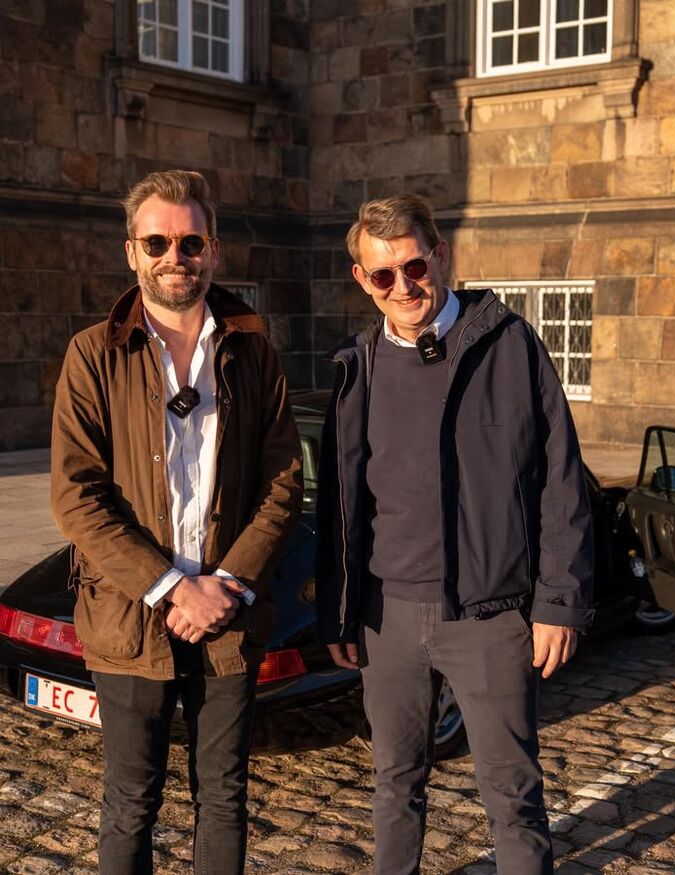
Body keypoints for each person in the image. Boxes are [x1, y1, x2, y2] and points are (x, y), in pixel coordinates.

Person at [315, 194, 594, 875]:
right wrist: (339, 611)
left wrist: (558, 602)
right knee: (394, 782)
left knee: (513, 794)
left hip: (489, 617)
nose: (403, 287)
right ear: (362, 280)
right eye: (384, 275)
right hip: (386, 618)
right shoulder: (358, 365)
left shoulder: (509, 344)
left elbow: (560, 478)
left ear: (440, 255)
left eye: (414, 266)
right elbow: (343, 502)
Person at [51, 169, 303, 875]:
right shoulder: (93, 354)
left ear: (213, 250)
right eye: (157, 242)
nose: (175, 257)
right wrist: (171, 587)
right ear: (132, 251)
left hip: (229, 615)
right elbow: (76, 495)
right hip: (131, 617)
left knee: (223, 798)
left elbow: (283, 481)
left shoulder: (253, 351)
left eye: (190, 242)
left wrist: (229, 582)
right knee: (131, 801)